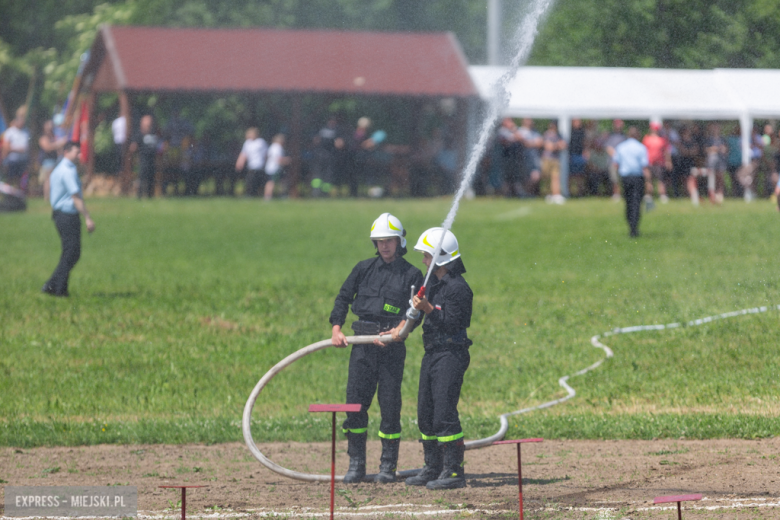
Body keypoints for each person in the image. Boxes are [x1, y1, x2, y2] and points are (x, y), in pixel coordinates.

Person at [329, 213, 424, 484]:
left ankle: (387, 465)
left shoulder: (412, 274)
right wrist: (337, 328)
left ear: (399, 241)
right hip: (361, 345)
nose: (384, 246)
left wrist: (400, 331)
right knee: (355, 404)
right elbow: (343, 298)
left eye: (389, 241)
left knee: (390, 406)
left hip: (392, 348)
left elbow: (415, 313)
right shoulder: (363, 269)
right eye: (380, 241)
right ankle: (356, 465)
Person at [405, 228, 472, 490]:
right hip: (431, 352)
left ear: (440, 257)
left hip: (451, 354)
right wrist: (412, 313)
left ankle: (453, 471)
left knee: (444, 412)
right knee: (426, 412)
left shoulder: (459, 289)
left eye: (426, 256)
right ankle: (432, 466)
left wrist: (429, 308)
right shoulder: (431, 283)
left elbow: (455, 322)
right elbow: (419, 316)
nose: (424, 261)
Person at [42, 141, 95, 297]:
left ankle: (59, 288)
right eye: (76, 152)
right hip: (67, 214)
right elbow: (75, 197)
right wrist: (87, 217)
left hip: (60, 214)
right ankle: (53, 286)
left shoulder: (61, 169)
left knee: (70, 252)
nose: (79, 155)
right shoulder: (67, 171)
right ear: (66, 152)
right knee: (72, 252)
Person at [612, 127, 650, 238]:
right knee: (636, 202)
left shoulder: (621, 147)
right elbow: (645, 166)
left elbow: (616, 164)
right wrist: (649, 182)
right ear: (638, 135)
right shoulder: (641, 147)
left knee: (628, 202)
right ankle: (634, 227)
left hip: (625, 177)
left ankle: (630, 225)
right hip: (637, 177)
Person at [130, 115, 159, 198]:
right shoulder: (139, 134)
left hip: (152, 159)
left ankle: (150, 195)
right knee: (142, 177)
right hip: (143, 159)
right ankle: (139, 195)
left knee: (151, 177)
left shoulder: (154, 133)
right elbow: (133, 146)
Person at [642, 122, 671, 206]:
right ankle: (648, 195)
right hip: (649, 162)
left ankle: (662, 195)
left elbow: (666, 151)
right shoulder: (646, 138)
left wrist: (668, 161)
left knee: (661, 180)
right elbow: (643, 151)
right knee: (648, 179)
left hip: (660, 163)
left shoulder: (663, 139)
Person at [38, 120, 66, 201]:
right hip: (48, 160)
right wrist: (58, 144)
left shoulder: (53, 136)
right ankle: (47, 197)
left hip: (55, 159)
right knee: (48, 179)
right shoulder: (43, 137)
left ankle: (55, 196)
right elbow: (47, 148)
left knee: (55, 179)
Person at [235, 127, 267, 198]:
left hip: (260, 165)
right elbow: (243, 154)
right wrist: (239, 162)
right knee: (250, 181)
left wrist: (265, 163)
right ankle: (250, 195)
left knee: (259, 182)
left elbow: (265, 154)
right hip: (251, 166)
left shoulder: (261, 142)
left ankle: (258, 195)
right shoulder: (247, 143)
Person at [2, 107, 30, 187]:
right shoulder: (10, 132)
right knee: (10, 179)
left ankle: (18, 197)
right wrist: (19, 149)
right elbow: (6, 147)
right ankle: (8, 197)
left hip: (23, 160)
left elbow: (28, 147)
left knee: (20, 180)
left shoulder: (26, 132)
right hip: (12, 161)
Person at [541, 121, 566, 204]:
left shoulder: (559, 135)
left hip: (555, 159)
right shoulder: (547, 134)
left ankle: (556, 195)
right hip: (547, 159)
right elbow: (549, 147)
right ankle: (549, 194)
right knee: (547, 177)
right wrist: (557, 145)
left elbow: (564, 145)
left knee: (556, 177)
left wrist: (556, 145)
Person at [604, 119, 627, 201]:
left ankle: (622, 193)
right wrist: (616, 156)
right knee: (614, 179)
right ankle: (616, 194)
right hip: (613, 161)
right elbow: (608, 148)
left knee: (622, 179)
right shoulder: (610, 136)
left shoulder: (624, 136)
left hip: (623, 162)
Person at [263, 134, 290, 201]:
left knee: (269, 181)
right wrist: (287, 160)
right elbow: (279, 159)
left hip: (269, 167)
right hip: (275, 168)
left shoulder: (272, 147)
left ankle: (267, 195)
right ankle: (278, 195)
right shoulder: (278, 147)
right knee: (273, 182)